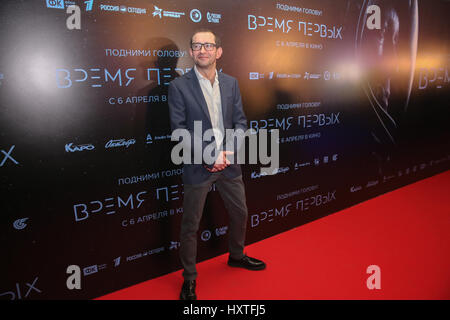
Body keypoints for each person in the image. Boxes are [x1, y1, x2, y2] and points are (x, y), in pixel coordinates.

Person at [168, 29, 266, 300]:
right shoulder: (178, 86)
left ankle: (236, 256)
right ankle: (189, 278)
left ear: (218, 51)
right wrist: (210, 155)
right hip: (198, 165)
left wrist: (229, 152)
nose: (203, 50)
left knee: (240, 214)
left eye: (208, 45)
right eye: (197, 45)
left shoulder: (232, 83)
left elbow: (240, 122)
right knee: (191, 225)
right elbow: (178, 131)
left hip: (230, 163)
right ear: (191, 52)